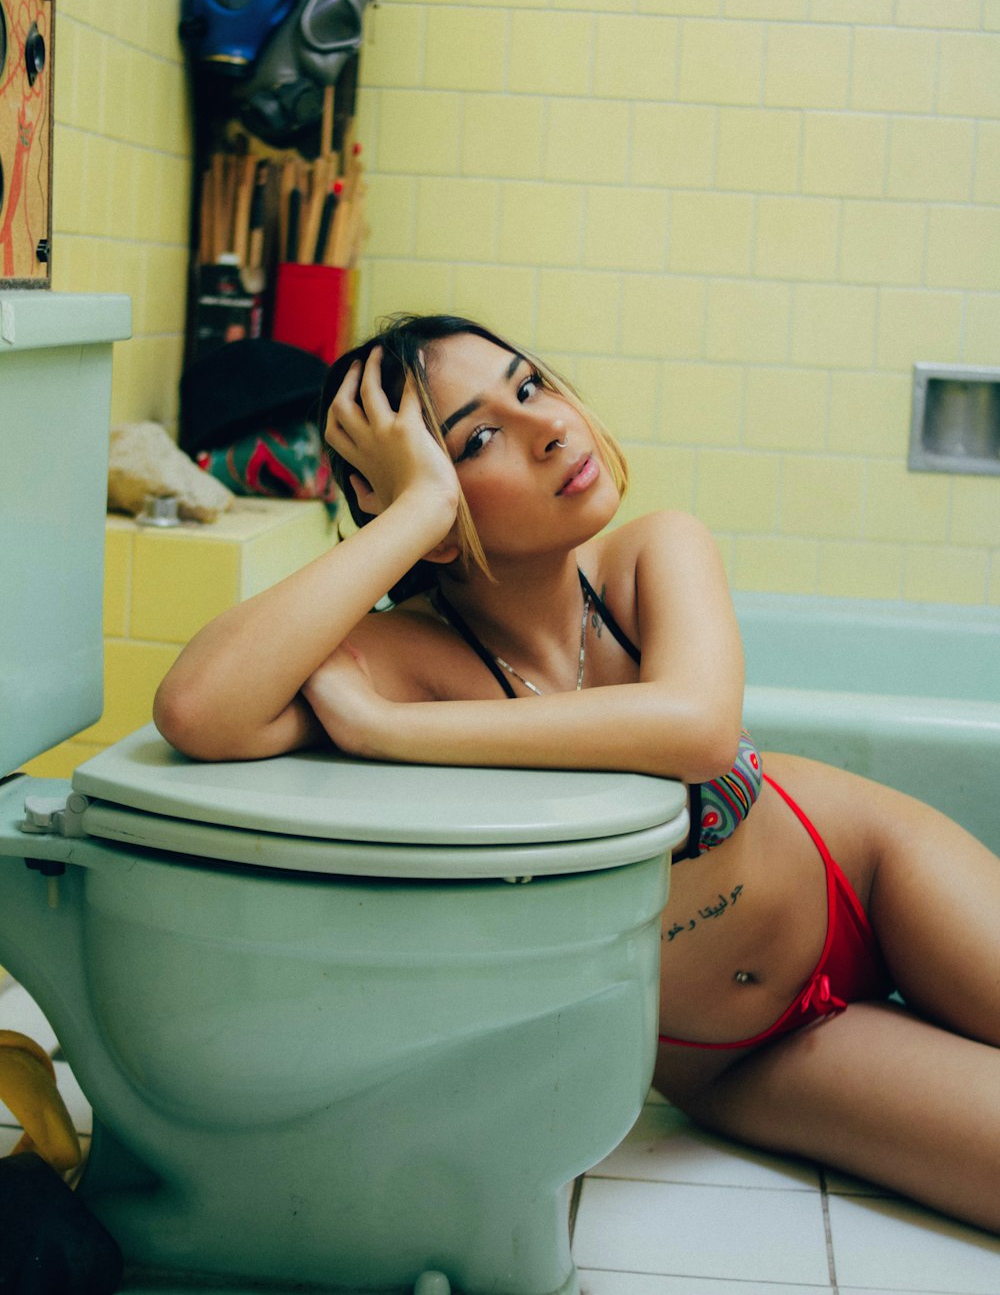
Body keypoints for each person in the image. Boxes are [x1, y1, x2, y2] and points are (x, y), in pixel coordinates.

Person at [155, 313, 1000, 1235]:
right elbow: (199, 711)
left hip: (869, 871)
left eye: (530, 387)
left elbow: (698, 731)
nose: (549, 426)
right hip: (736, 1050)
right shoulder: (411, 656)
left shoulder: (649, 555)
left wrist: (394, 733)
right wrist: (410, 518)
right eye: (478, 439)